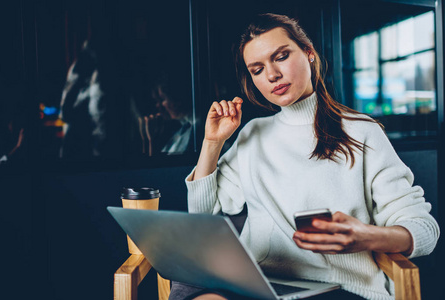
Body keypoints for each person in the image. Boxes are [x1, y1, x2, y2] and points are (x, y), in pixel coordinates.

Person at [171, 13, 440, 300]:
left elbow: (424, 230)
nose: (272, 75)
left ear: (309, 53)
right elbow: (202, 215)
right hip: (259, 283)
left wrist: (364, 236)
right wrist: (213, 143)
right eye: (257, 69)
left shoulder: (362, 131)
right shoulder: (253, 134)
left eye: (281, 56)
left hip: (340, 287)